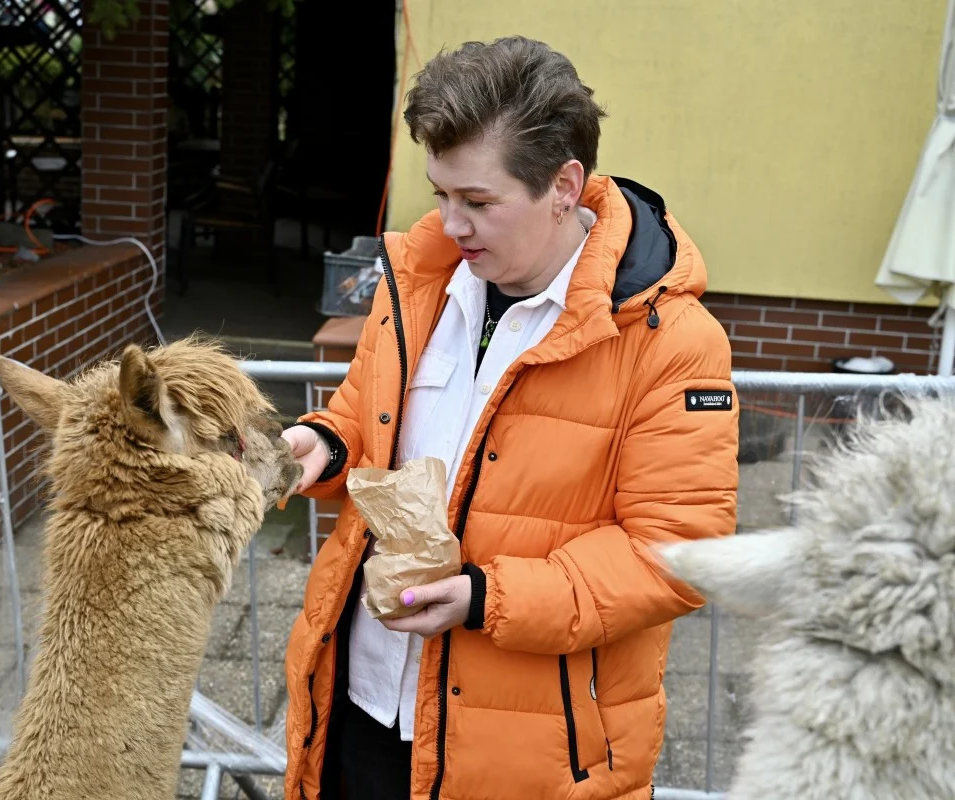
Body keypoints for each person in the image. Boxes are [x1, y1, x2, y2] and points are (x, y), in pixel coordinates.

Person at [279, 35, 739, 800]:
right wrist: (321, 445)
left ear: (564, 185)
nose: (451, 224)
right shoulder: (419, 282)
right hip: (362, 700)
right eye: (440, 195)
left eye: (479, 202)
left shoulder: (672, 342)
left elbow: (677, 552)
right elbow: (367, 417)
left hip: (528, 757)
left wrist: (486, 597)